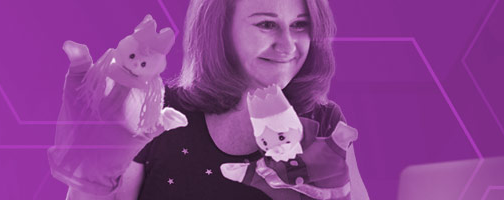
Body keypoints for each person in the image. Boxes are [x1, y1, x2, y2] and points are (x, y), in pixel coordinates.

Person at [68, 0, 369, 199]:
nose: (288, 46)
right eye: (266, 24)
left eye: (300, 25)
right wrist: (99, 149)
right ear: (220, 30)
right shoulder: (156, 110)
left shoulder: (324, 123)